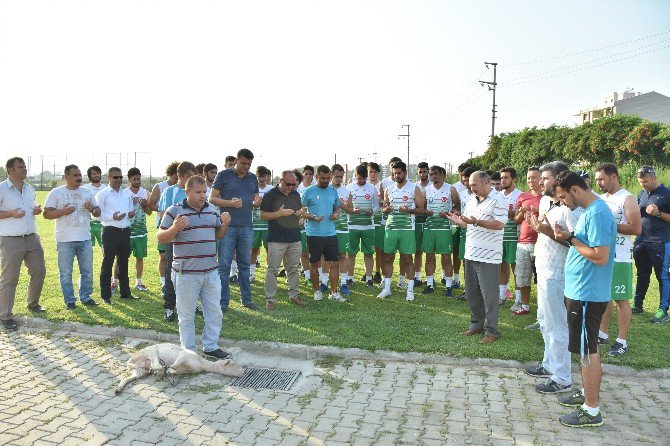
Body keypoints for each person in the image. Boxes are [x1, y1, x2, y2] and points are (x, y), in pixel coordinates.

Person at [552, 171, 615, 428]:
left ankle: (591, 410)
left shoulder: (598, 213)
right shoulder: (590, 211)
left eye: (563, 196)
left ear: (575, 190)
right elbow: (584, 246)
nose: (562, 202)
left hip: (588, 294)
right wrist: (570, 237)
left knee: (589, 351)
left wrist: (569, 237)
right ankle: (586, 393)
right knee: (583, 347)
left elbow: (599, 256)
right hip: (580, 291)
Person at [157, 175, 231, 359]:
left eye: (204, 192)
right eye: (198, 192)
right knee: (186, 315)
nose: (202, 195)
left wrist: (225, 225)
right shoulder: (175, 211)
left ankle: (211, 346)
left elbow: (218, 235)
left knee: (214, 311)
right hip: (186, 273)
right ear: (187, 192)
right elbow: (160, 237)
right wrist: (175, 228)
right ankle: (189, 352)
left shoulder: (212, 210)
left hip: (210, 271)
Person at [525, 161, 579, 394]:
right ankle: (549, 364)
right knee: (546, 321)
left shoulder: (569, 208)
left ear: (558, 179)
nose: (540, 182)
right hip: (544, 268)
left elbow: (574, 241)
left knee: (558, 325)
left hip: (558, 272)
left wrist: (542, 228)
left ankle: (562, 377)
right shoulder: (548, 202)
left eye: (545, 178)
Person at [449, 171, 506, 343]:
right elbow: (469, 224)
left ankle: (492, 331)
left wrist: (476, 222)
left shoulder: (498, 199)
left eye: (474, 185)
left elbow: (499, 224)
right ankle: (476, 325)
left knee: (489, 296)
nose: (471, 187)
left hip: (489, 256)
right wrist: (460, 221)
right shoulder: (472, 200)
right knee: (472, 293)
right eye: (470, 185)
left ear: (487, 182)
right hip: (471, 253)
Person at [595, 163, 641, 355]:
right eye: (596, 179)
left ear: (613, 176)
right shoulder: (601, 199)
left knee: (620, 300)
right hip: (603, 255)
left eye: (601, 179)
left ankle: (622, 341)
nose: (599, 183)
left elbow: (636, 228)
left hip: (620, 257)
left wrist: (611, 226)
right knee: (604, 296)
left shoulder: (627, 198)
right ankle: (602, 333)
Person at [43, 165, 101, 309]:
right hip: (64, 240)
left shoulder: (87, 192)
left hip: (84, 238)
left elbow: (98, 212)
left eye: (80, 175)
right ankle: (70, 300)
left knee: (87, 271)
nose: (79, 178)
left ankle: (86, 297)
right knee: (66, 273)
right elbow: (46, 214)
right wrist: (63, 211)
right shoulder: (56, 192)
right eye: (75, 175)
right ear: (66, 177)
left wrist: (93, 209)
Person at [210, 148, 260, 312]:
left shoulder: (253, 178)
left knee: (245, 265)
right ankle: (223, 303)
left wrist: (256, 202)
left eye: (249, 164)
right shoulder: (224, 175)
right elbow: (212, 199)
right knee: (223, 266)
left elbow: (254, 199)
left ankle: (246, 300)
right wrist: (230, 203)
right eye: (243, 163)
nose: (246, 167)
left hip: (247, 226)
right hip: (227, 227)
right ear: (237, 160)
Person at [0, 157, 47, 331]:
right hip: (10, 240)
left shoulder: (30, 188)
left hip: (32, 237)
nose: (24, 169)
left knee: (39, 271)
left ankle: (33, 303)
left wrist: (36, 210)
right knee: (10, 278)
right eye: (20, 167)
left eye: (25, 166)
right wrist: (11, 213)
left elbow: (33, 208)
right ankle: (4, 316)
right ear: (10, 170)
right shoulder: (2, 189)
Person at [260, 170, 309, 309]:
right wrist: (278, 213)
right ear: (280, 181)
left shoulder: (295, 194)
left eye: (293, 185)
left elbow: (298, 212)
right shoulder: (270, 195)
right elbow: (262, 215)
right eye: (288, 184)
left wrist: (300, 213)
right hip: (276, 238)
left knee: (293, 268)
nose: (290, 187)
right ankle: (270, 298)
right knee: (273, 269)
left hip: (294, 237)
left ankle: (294, 295)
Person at [378, 161, 424, 301]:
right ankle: (387, 289)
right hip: (391, 228)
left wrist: (408, 210)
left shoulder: (414, 188)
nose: (396, 176)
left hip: (407, 228)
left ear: (405, 172)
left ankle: (410, 291)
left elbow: (421, 209)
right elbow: (384, 209)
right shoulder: (388, 189)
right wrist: (387, 209)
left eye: (399, 173)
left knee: (407, 258)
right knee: (388, 258)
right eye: (394, 173)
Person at [158, 162, 198, 321]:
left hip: (193, 239)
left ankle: (192, 305)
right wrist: (176, 227)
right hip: (174, 238)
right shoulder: (170, 191)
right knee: (171, 273)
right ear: (181, 175)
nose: (191, 179)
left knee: (192, 272)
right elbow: (162, 214)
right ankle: (169, 307)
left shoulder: (195, 192)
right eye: (189, 176)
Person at [302, 165, 347, 302]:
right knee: (314, 263)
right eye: (323, 178)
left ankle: (333, 293)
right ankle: (317, 292)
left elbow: (337, 207)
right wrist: (312, 217)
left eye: (328, 178)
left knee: (334, 263)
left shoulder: (333, 191)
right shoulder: (308, 191)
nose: (326, 181)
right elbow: (301, 211)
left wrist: (336, 214)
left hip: (330, 233)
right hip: (314, 234)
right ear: (317, 177)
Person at [632, 166, 670, 323]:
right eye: (640, 182)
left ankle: (663, 311)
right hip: (641, 241)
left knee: (662, 276)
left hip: (660, 241)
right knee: (642, 274)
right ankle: (638, 305)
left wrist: (659, 213)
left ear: (654, 178)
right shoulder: (642, 194)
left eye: (645, 181)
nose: (643, 185)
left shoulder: (667, 194)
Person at [96, 167, 136, 304]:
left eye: (120, 177)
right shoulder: (103, 194)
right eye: (115, 177)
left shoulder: (126, 194)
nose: (118, 180)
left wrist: (131, 214)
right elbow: (96, 216)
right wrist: (112, 217)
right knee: (108, 263)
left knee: (123, 263)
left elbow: (130, 209)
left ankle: (125, 293)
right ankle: (105, 296)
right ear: (109, 178)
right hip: (110, 232)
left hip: (125, 232)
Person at [421, 166, 460, 296]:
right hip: (429, 227)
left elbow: (457, 209)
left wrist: (448, 213)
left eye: (436, 174)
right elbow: (422, 208)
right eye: (431, 174)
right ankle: (430, 284)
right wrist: (426, 212)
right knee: (429, 257)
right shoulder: (426, 190)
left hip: (444, 228)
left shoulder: (451, 189)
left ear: (442, 174)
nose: (433, 177)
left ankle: (448, 286)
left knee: (446, 258)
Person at [510, 167, 543, 314]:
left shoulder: (546, 197)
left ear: (541, 179)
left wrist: (538, 213)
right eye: (529, 178)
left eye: (534, 177)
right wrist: (522, 212)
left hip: (540, 243)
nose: (531, 180)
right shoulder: (522, 196)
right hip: (523, 243)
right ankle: (525, 306)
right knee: (522, 276)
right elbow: (516, 220)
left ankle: (543, 308)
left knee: (541, 278)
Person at [148, 161, 179, 296]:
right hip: (164, 225)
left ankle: (176, 284)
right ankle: (163, 284)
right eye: (175, 178)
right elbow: (151, 205)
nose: (177, 180)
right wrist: (166, 209)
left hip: (179, 226)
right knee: (163, 256)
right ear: (170, 175)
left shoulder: (184, 188)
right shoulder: (160, 187)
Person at [347, 164, 380, 287]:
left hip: (368, 227)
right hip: (352, 226)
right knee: (351, 253)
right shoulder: (349, 187)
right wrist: (352, 209)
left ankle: (369, 278)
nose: (359, 180)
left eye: (362, 178)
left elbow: (377, 206)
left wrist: (372, 211)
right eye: (357, 178)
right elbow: (346, 206)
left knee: (369, 253)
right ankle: (350, 278)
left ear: (366, 177)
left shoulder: (372, 188)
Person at [126, 168, 152, 291]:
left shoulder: (145, 192)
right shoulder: (124, 193)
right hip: (126, 231)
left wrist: (144, 205)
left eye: (138, 179)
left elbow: (149, 212)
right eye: (134, 179)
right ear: (129, 180)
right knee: (121, 258)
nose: (137, 181)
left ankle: (139, 282)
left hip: (141, 231)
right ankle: (115, 281)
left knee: (140, 257)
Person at [499, 167, 522, 305]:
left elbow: (520, 216)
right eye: (502, 177)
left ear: (513, 179)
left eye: (506, 177)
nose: (503, 180)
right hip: (500, 235)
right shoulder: (498, 195)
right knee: (501, 265)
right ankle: (502, 295)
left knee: (516, 267)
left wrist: (511, 214)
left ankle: (518, 298)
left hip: (513, 235)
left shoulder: (520, 195)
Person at [451, 165, 475, 293]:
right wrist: (456, 214)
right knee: (465, 259)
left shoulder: (482, 194)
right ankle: (468, 289)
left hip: (478, 230)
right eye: (464, 180)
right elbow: (460, 210)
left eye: (468, 180)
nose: (466, 183)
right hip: (464, 230)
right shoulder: (461, 194)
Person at [331, 164, 354, 295]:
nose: (339, 179)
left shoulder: (346, 191)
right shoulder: (326, 189)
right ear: (331, 175)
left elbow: (350, 209)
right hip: (328, 229)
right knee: (326, 257)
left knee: (342, 256)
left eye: (341, 176)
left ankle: (344, 283)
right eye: (336, 176)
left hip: (343, 228)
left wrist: (345, 207)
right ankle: (324, 282)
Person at [251, 165, 272, 281]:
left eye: (264, 176)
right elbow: (249, 204)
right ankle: (251, 273)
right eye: (259, 176)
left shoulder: (271, 189)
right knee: (253, 249)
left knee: (270, 249)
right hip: (254, 224)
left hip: (268, 225)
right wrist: (255, 204)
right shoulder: (252, 188)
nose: (262, 179)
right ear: (256, 176)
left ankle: (270, 274)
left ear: (267, 176)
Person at [413, 162, 430, 287]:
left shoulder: (433, 186)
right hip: (418, 221)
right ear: (417, 172)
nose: (422, 174)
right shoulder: (414, 187)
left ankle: (431, 278)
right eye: (420, 172)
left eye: (424, 171)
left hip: (431, 222)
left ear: (428, 171)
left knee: (430, 251)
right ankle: (417, 277)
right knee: (418, 251)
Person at [297, 165, 315, 282]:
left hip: (314, 222)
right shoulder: (298, 188)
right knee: (304, 251)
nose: (308, 176)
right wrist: (302, 217)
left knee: (315, 251)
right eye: (306, 174)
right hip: (301, 222)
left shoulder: (316, 187)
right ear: (303, 174)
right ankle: (307, 275)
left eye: (310, 174)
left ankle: (316, 274)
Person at [368, 162, 384, 284]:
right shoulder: (365, 185)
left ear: (378, 173)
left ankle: (378, 272)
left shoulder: (381, 185)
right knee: (368, 249)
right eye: (370, 172)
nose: (372, 174)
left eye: (374, 172)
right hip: (366, 221)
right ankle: (367, 272)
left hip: (379, 221)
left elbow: (384, 202)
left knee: (379, 249)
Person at [83, 166, 105, 248]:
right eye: (93, 174)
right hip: (88, 224)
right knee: (87, 249)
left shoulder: (105, 188)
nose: (96, 175)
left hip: (102, 223)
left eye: (98, 173)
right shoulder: (85, 189)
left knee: (105, 248)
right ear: (89, 176)